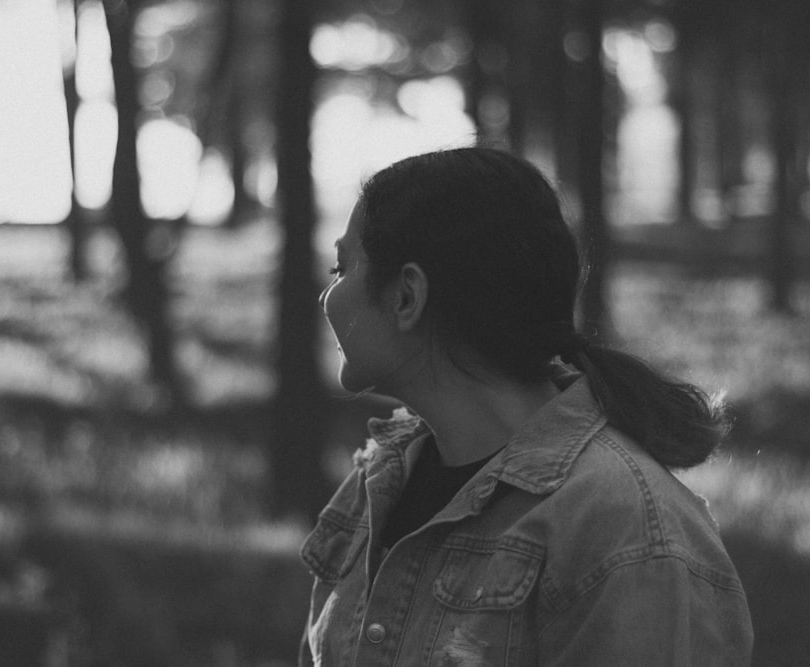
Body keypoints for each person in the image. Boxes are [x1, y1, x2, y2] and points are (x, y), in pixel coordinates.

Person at [299, 147, 753, 665]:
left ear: (407, 296)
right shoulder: (377, 481)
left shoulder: (626, 529)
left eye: (341, 268)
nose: (326, 296)